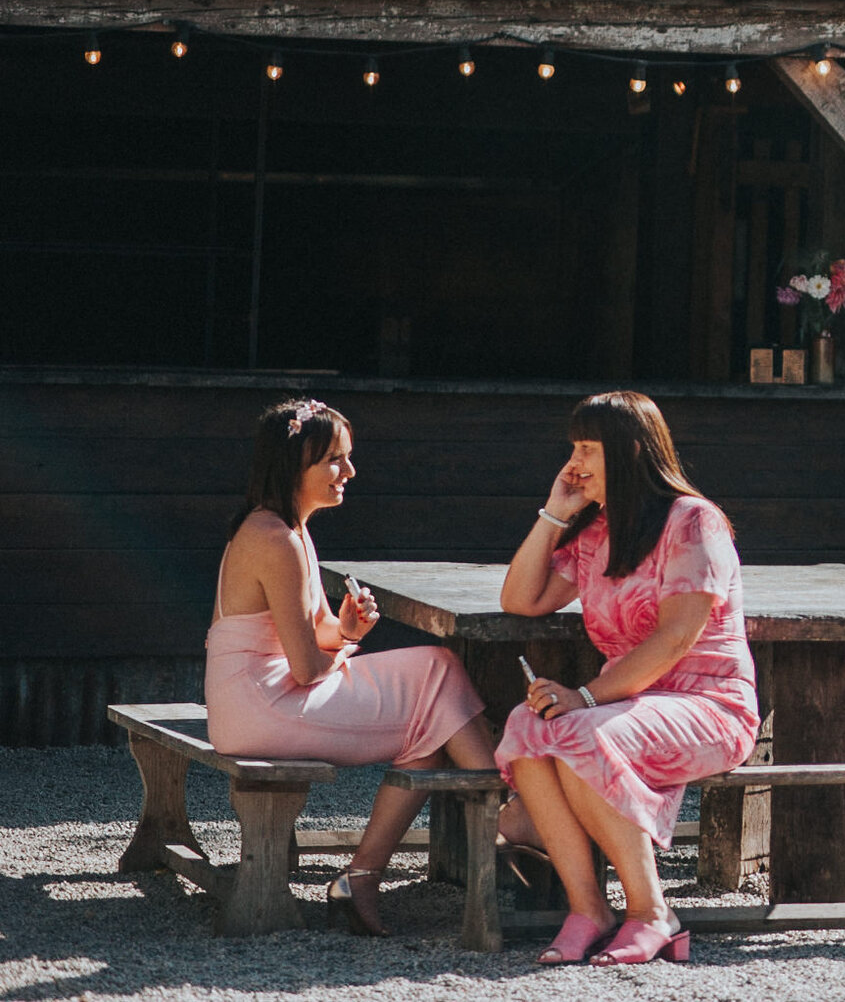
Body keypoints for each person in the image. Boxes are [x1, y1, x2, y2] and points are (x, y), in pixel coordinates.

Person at [206, 398, 493, 935]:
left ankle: (360, 878)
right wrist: (340, 650)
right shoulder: (276, 541)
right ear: (295, 464)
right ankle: (505, 816)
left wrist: (346, 630)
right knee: (437, 667)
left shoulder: (284, 528)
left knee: (430, 731)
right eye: (335, 460)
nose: (350, 472)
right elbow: (309, 669)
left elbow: (311, 635)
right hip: (262, 705)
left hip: (255, 698)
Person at [496, 391, 760, 966]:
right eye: (573, 447)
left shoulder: (695, 521)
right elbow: (521, 598)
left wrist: (584, 697)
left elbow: (675, 639)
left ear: (632, 449)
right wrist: (552, 513)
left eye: (588, 448)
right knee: (528, 723)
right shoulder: (598, 532)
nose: (575, 461)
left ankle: (652, 912)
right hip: (627, 703)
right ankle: (588, 907)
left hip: (708, 704)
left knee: (580, 731)